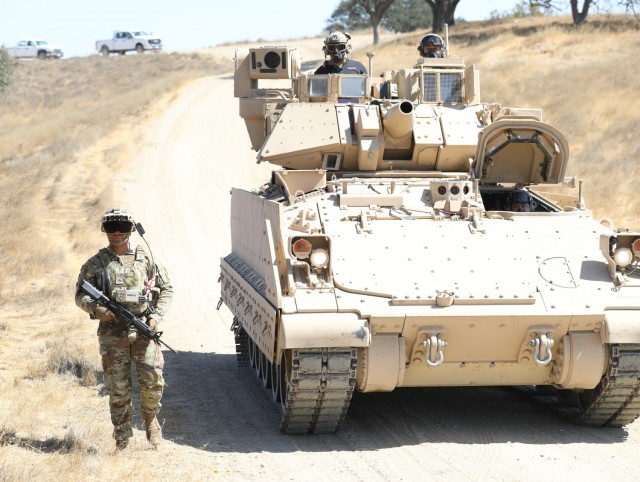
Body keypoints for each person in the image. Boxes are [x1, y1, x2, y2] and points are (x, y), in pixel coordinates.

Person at [75, 207, 173, 450]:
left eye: (122, 227)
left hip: (143, 331)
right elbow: (80, 295)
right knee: (118, 387)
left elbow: (167, 289)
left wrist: (156, 317)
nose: (117, 233)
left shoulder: (145, 259)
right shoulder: (96, 264)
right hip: (112, 334)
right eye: (111, 227)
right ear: (104, 230)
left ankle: (150, 421)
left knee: (153, 381)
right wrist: (98, 310)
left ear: (131, 230)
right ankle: (122, 437)